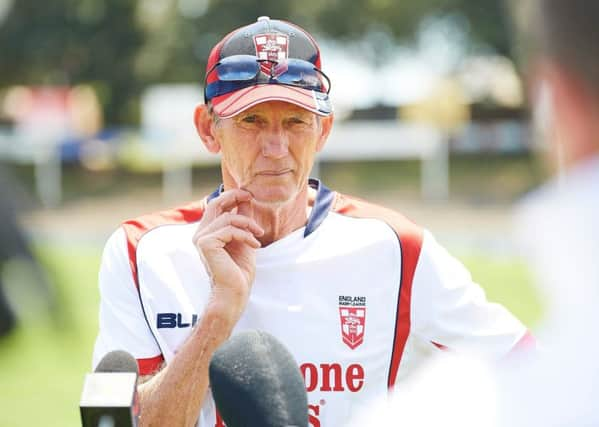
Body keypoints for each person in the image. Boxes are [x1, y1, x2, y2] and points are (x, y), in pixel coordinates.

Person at [92, 17, 531, 427]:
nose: (276, 146)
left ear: (323, 129)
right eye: (252, 120)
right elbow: (113, 420)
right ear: (208, 129)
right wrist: (219, 314)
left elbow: (534, 369)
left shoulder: (397, 249)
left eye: (296, 121)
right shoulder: (138, 251)